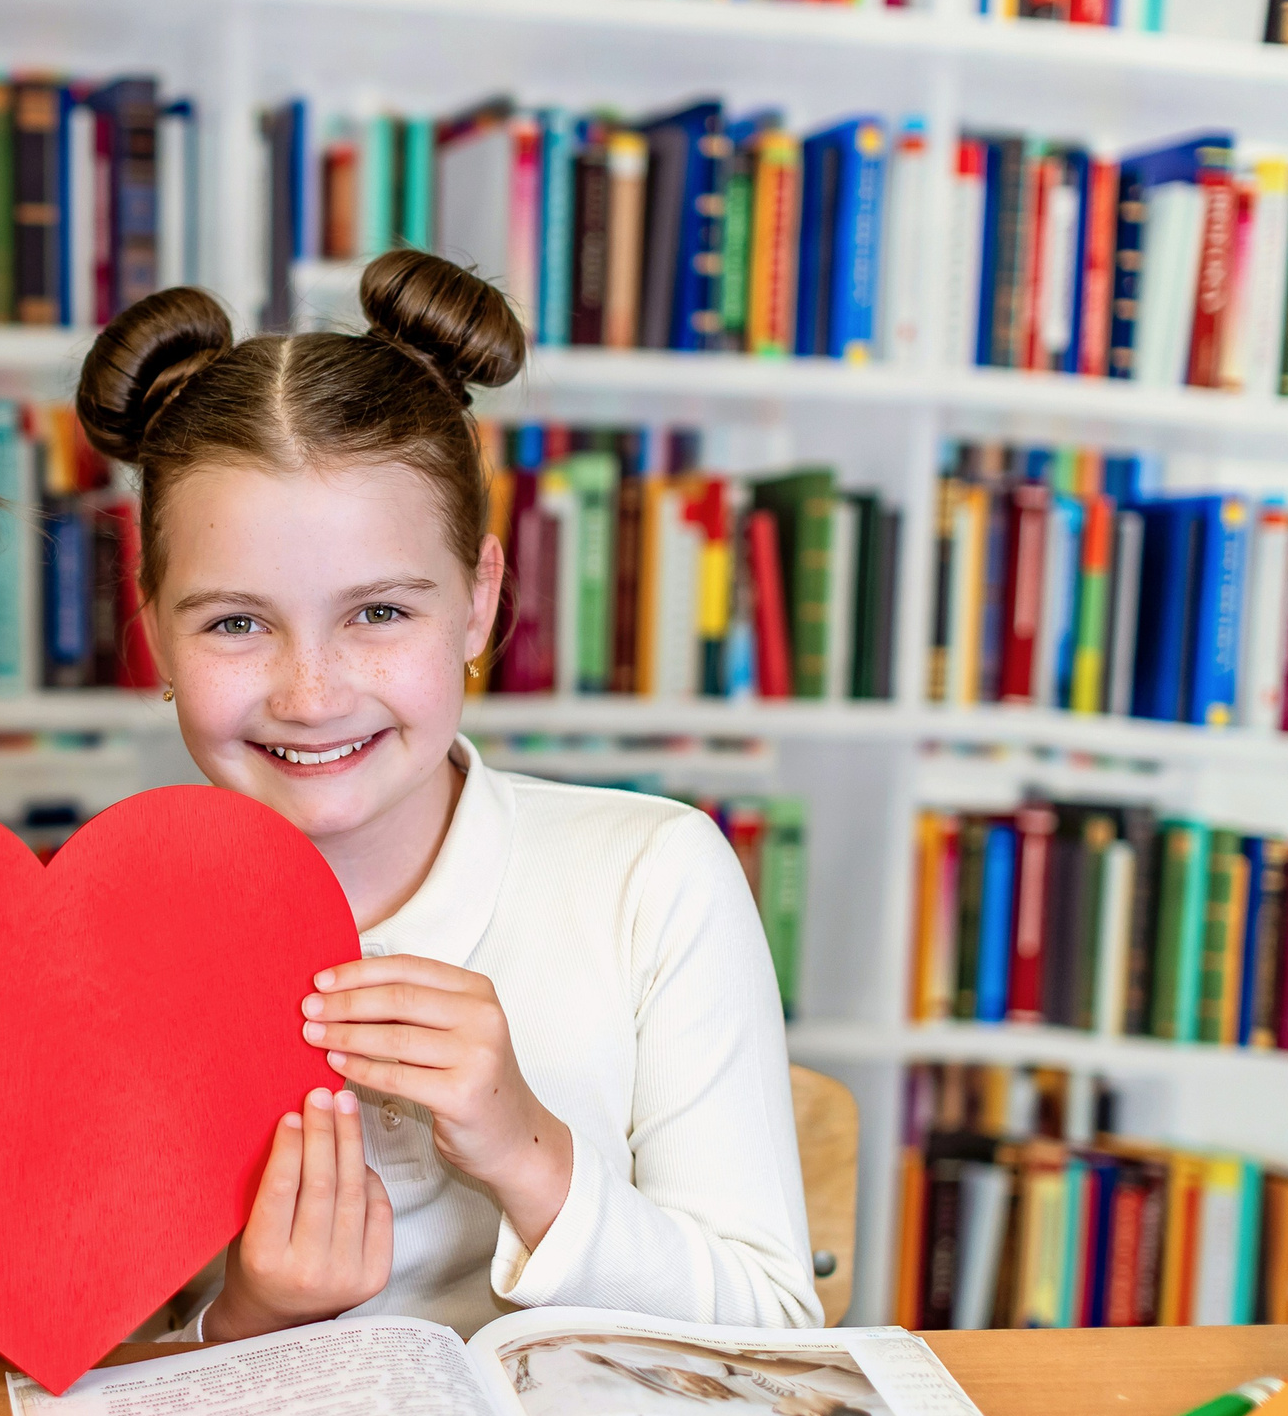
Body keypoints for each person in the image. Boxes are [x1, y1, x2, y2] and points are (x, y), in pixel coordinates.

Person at [66, 248, 819, 1343]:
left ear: (478, 603)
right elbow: (58, 1373)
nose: (310, 692)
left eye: (378, 613)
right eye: (235, 622)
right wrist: (250, 1317)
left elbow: (776, 1328)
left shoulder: (652, 878)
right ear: (154, 633)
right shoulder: (99, 929)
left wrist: (525, 1150)